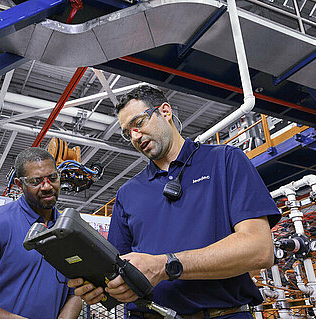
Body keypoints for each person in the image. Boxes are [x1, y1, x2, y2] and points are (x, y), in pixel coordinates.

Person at [68, 85, 281, 319]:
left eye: (138, 123)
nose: (135, 136)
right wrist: (100, 288)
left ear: (165, 112)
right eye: (128, 132)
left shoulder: (225, 161)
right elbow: (118, 269)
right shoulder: (128, 193)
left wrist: (166, 266)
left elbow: (259, 250)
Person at [0, 148, 82, 319]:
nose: (47, 186)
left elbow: (75, 291)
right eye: (36, 181)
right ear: (20, 185)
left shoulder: (70, 231)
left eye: (53, 178)